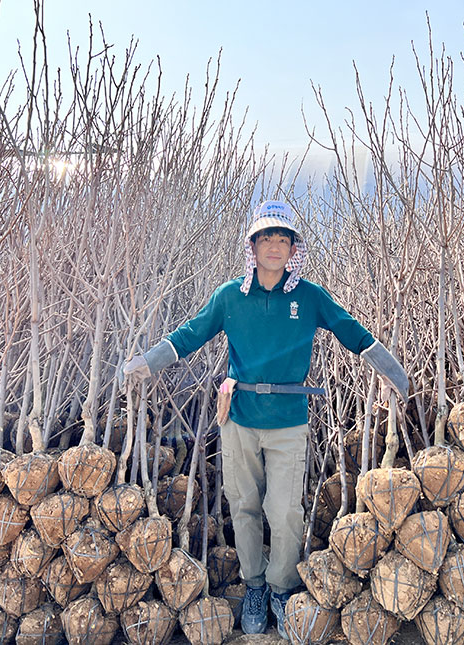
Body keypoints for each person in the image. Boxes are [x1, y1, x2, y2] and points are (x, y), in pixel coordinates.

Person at [122, 200, 407, 639]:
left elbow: (350, 329)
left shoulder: (308, 297)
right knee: (245, 505)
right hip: (238, 416)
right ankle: (254, 585)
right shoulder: (230, 297)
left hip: (289, 418)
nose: (274, 247)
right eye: (265, 239)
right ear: (252, 246)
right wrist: (149, 360)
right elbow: (192, 332)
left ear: (294, 248)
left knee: (285, 510)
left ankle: (280, 586)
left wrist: (390, 368)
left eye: (282, 239)